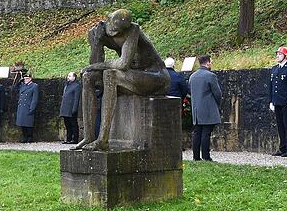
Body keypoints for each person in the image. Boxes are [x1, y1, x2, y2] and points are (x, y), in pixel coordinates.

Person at [75, 9, 169, 150]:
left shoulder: (133, 30)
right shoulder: (97, 32)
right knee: (88, 77)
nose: (118, 34)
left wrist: (93, 66)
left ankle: (103, 140)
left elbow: (123, 64)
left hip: (155, 77)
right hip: (132, 76)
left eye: (120, 31)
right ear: (108, 21)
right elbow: (95, 63)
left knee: (110, 75)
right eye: (114, 30)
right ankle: (88, 137)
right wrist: (97, 43)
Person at [188, 55, 222, 161]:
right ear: (207, 63)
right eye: (211, 62)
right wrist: (217, 105)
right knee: (206, 133)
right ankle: (206, 156)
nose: (211, 64)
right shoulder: (210, 76)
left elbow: (190, 91)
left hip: (196, 109)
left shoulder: (192, 76)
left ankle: (196, 157)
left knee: (197, 133)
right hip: (208, 108)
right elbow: (217, 93)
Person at [15, 73, 38, 143]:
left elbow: (35, 98)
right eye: (25, 78)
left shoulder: (34, 86)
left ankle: (29, 137)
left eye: (27, 78)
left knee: (28, 123)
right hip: (22, 107)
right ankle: (25, 137)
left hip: (28, 106)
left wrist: (32, 108)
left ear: (30, 78)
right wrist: (19, 81)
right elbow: (15, 88)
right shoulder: (22, 85)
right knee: (22, 123)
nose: (26, 80)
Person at [59, 72, 81, 144]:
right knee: (67, 124)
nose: (68, 77)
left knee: (73, 124)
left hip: (71, 108)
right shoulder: (67, 85)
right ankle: (68, 138)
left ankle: (75, 139)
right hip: (65, 108)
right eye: (68, 76)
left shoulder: (76, 86)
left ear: (74, 77)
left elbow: (76, 98)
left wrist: (74, 109)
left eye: (70, 76)